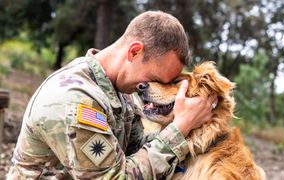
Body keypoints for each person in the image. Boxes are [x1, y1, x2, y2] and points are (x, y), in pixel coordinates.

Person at [7, 11, 216, 179]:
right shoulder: (75, 99)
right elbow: (115, 176)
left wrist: (194, 128)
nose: (151, 88)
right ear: (134, 52)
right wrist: (180, 129)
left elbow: (135, 147)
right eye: (156, 79)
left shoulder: (118, 89)